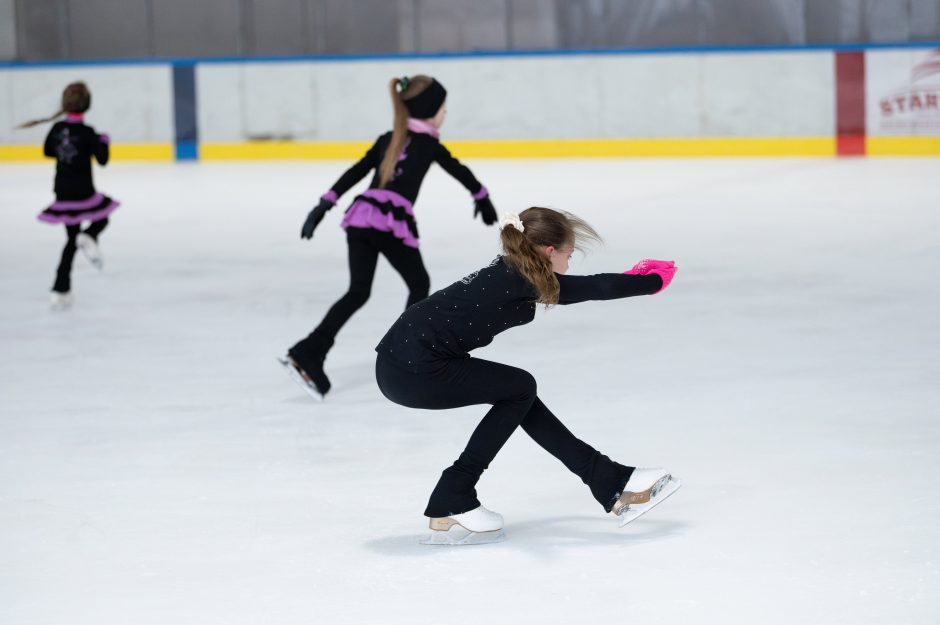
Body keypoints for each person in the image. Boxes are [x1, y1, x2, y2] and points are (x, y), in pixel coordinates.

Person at [374, 207, 681, 544]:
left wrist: (635, 280)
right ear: (549, 251)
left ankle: (608, 480)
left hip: (402, 363)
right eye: (569, 253)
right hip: (413, 370)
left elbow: (586, 286)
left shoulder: (513, 272)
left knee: (518, 391)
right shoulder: (518, 278)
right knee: (519, 388)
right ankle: (454, 495)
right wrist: (650, 283)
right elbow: (593, 287)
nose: (568, 262)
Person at [281, 74, 497, 399]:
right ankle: (407, 352)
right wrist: (481, 196)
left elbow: (356, 171)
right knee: (419, 284)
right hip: (386, 223)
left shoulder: (388, 138)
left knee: (358, 292)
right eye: (442, 107)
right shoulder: (428, 145)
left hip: (360, 218)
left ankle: (309, 352)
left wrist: (324, 206)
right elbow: (459, 170)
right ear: (429, 110)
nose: (446, 113)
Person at [21, 81, 119, 309]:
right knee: (102, 217)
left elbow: (47, 151)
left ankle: (60, 288)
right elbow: (103, 160)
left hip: (63, 191)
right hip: (83, 190)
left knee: (70, 240)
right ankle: (90, 235)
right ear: (87, 106)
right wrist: (104, 142)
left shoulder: (56, 130)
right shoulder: (88, 132)